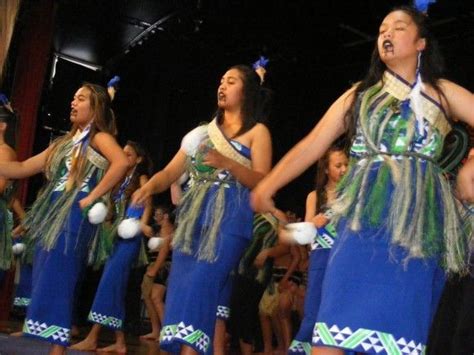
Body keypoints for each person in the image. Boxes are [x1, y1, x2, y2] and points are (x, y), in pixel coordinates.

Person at [252, 6, 474, 355]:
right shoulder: (359, 95)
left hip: (413, 232)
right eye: (382, 28)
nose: (386, 34)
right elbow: (313, 144)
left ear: (421, 43)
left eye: (398, 28)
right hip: (358, 228)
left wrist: (467, 171)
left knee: (398, 338)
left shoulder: (443, 93)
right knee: (331, 337)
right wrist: (268, 184)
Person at [132, 63, 273, 354]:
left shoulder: (258, 133)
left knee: (199, 289)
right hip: (193, 224)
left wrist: (228, 164)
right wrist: (148, 187)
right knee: (183, 292)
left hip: (229, 223)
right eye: (221, 80)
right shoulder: (201, 134)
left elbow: (263, 181)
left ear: (246, 91)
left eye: (231, 81)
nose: (222, 85)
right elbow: (170, 173)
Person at [0, 82, 129, 355]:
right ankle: (55, 345)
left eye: (80, 99)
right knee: (47, 273)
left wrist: (94, 194)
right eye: (73, 97)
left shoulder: (99, 137)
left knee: (62, 277)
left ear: (94, 108)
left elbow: (121, 162)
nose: (73, 102)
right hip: (55, 214)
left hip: (74, 215)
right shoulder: (64, 143)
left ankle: (57, 350)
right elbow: (22, 167)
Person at [70, 140, 152, 353]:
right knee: (112, 287)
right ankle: (120, 342)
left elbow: (147, 202)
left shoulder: (141, 178)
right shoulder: (119, 179)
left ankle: (93, 337)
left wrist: (142, 223)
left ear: (139, 159)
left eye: (129, 154)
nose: (124, 157)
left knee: (108, 284)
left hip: (130, 237)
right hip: (115, 237)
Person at [288, 145, 348, 354]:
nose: (343, 169)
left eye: (346, 165)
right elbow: (303, 234)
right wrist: (313, 223)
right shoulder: (314, 196)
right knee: (313, 312)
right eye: (338, 165)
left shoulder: (352, 195)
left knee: (339, 312)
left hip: (344, 261)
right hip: (320, 260)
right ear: (325, 169)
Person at [140, 205, 175, 342]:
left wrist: (155, 269)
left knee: (155, 297)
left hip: (164, 267)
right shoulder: (155, 229)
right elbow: (142, 226)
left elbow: (165, 251)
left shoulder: (171, 230)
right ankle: (156, 330)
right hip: (152, 266)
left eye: (158, 212)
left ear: (166, 216)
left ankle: (168, 333)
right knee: (147, 297)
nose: (155, 215)